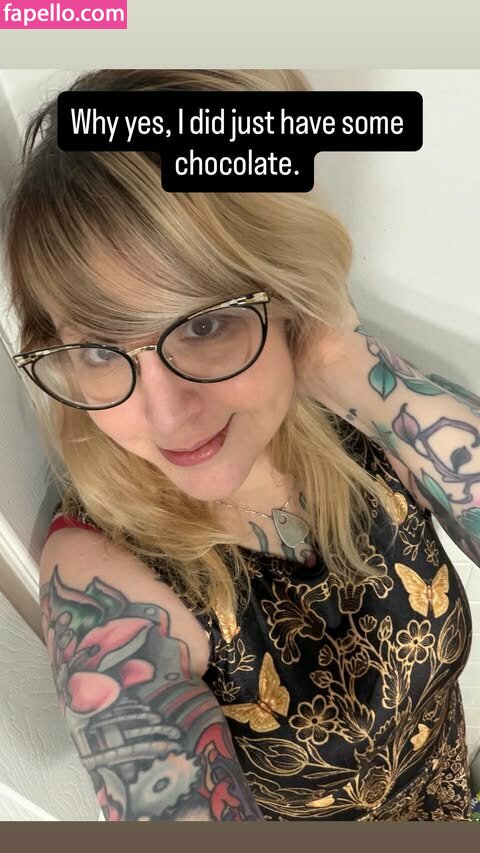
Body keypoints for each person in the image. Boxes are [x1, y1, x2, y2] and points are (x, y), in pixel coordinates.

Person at [4, 68, 480, 822]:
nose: (166, 415)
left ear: (284, 295)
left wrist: (342, 359)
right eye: (98, 350)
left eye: (202, 324)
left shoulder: (352, 420)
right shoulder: (103, 577)